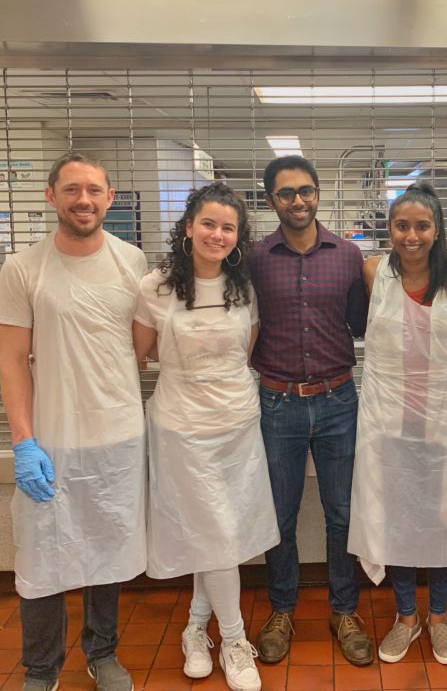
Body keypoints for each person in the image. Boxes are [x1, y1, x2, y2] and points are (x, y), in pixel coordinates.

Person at [0, 152, 145, 691]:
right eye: (73, 189)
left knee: (106, 549)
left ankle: (101, 653)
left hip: (117, 434)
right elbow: (11, 359)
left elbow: (142, 347)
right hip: (52, 439)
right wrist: (23, 440)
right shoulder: (23, 268)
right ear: (50, 195)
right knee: (43, 555)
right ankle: (41, 668)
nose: (84, 200)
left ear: (110, 197)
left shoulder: (133, 262)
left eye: (94, 190)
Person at [132, 182, 277, 691]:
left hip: (238, 425)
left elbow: (246, 353)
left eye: (228, 227)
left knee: (216, 532)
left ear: (238, 237)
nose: (217, 234)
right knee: (214, 532)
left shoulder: (245, 287)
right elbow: (140, 355)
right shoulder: (155, 287)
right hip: (181, 428)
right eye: (208, 223)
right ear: (189, 227)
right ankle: (235, 641)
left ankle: (196, 628)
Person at [249, 155, 374, 666]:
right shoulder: (253, 259)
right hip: (276, 403)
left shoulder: (348, 256)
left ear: (318, 194)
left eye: (306, 190)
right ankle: (282, 609)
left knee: (342, 511)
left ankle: (344, 610)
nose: (297, 200)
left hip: (339, 400)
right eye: (285, 193)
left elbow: (362, 324)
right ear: (270, 201)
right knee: (278, 514)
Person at [347, 183, 447, 666]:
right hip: (386, 418)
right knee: (394, 516)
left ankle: (439, 617)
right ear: (390, 229)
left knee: (441, 517)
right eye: (402, 226)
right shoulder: (375, 272)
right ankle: (405, 617)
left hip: (439, 420)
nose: (411, 235)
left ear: (436, 230)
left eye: (422, 226)